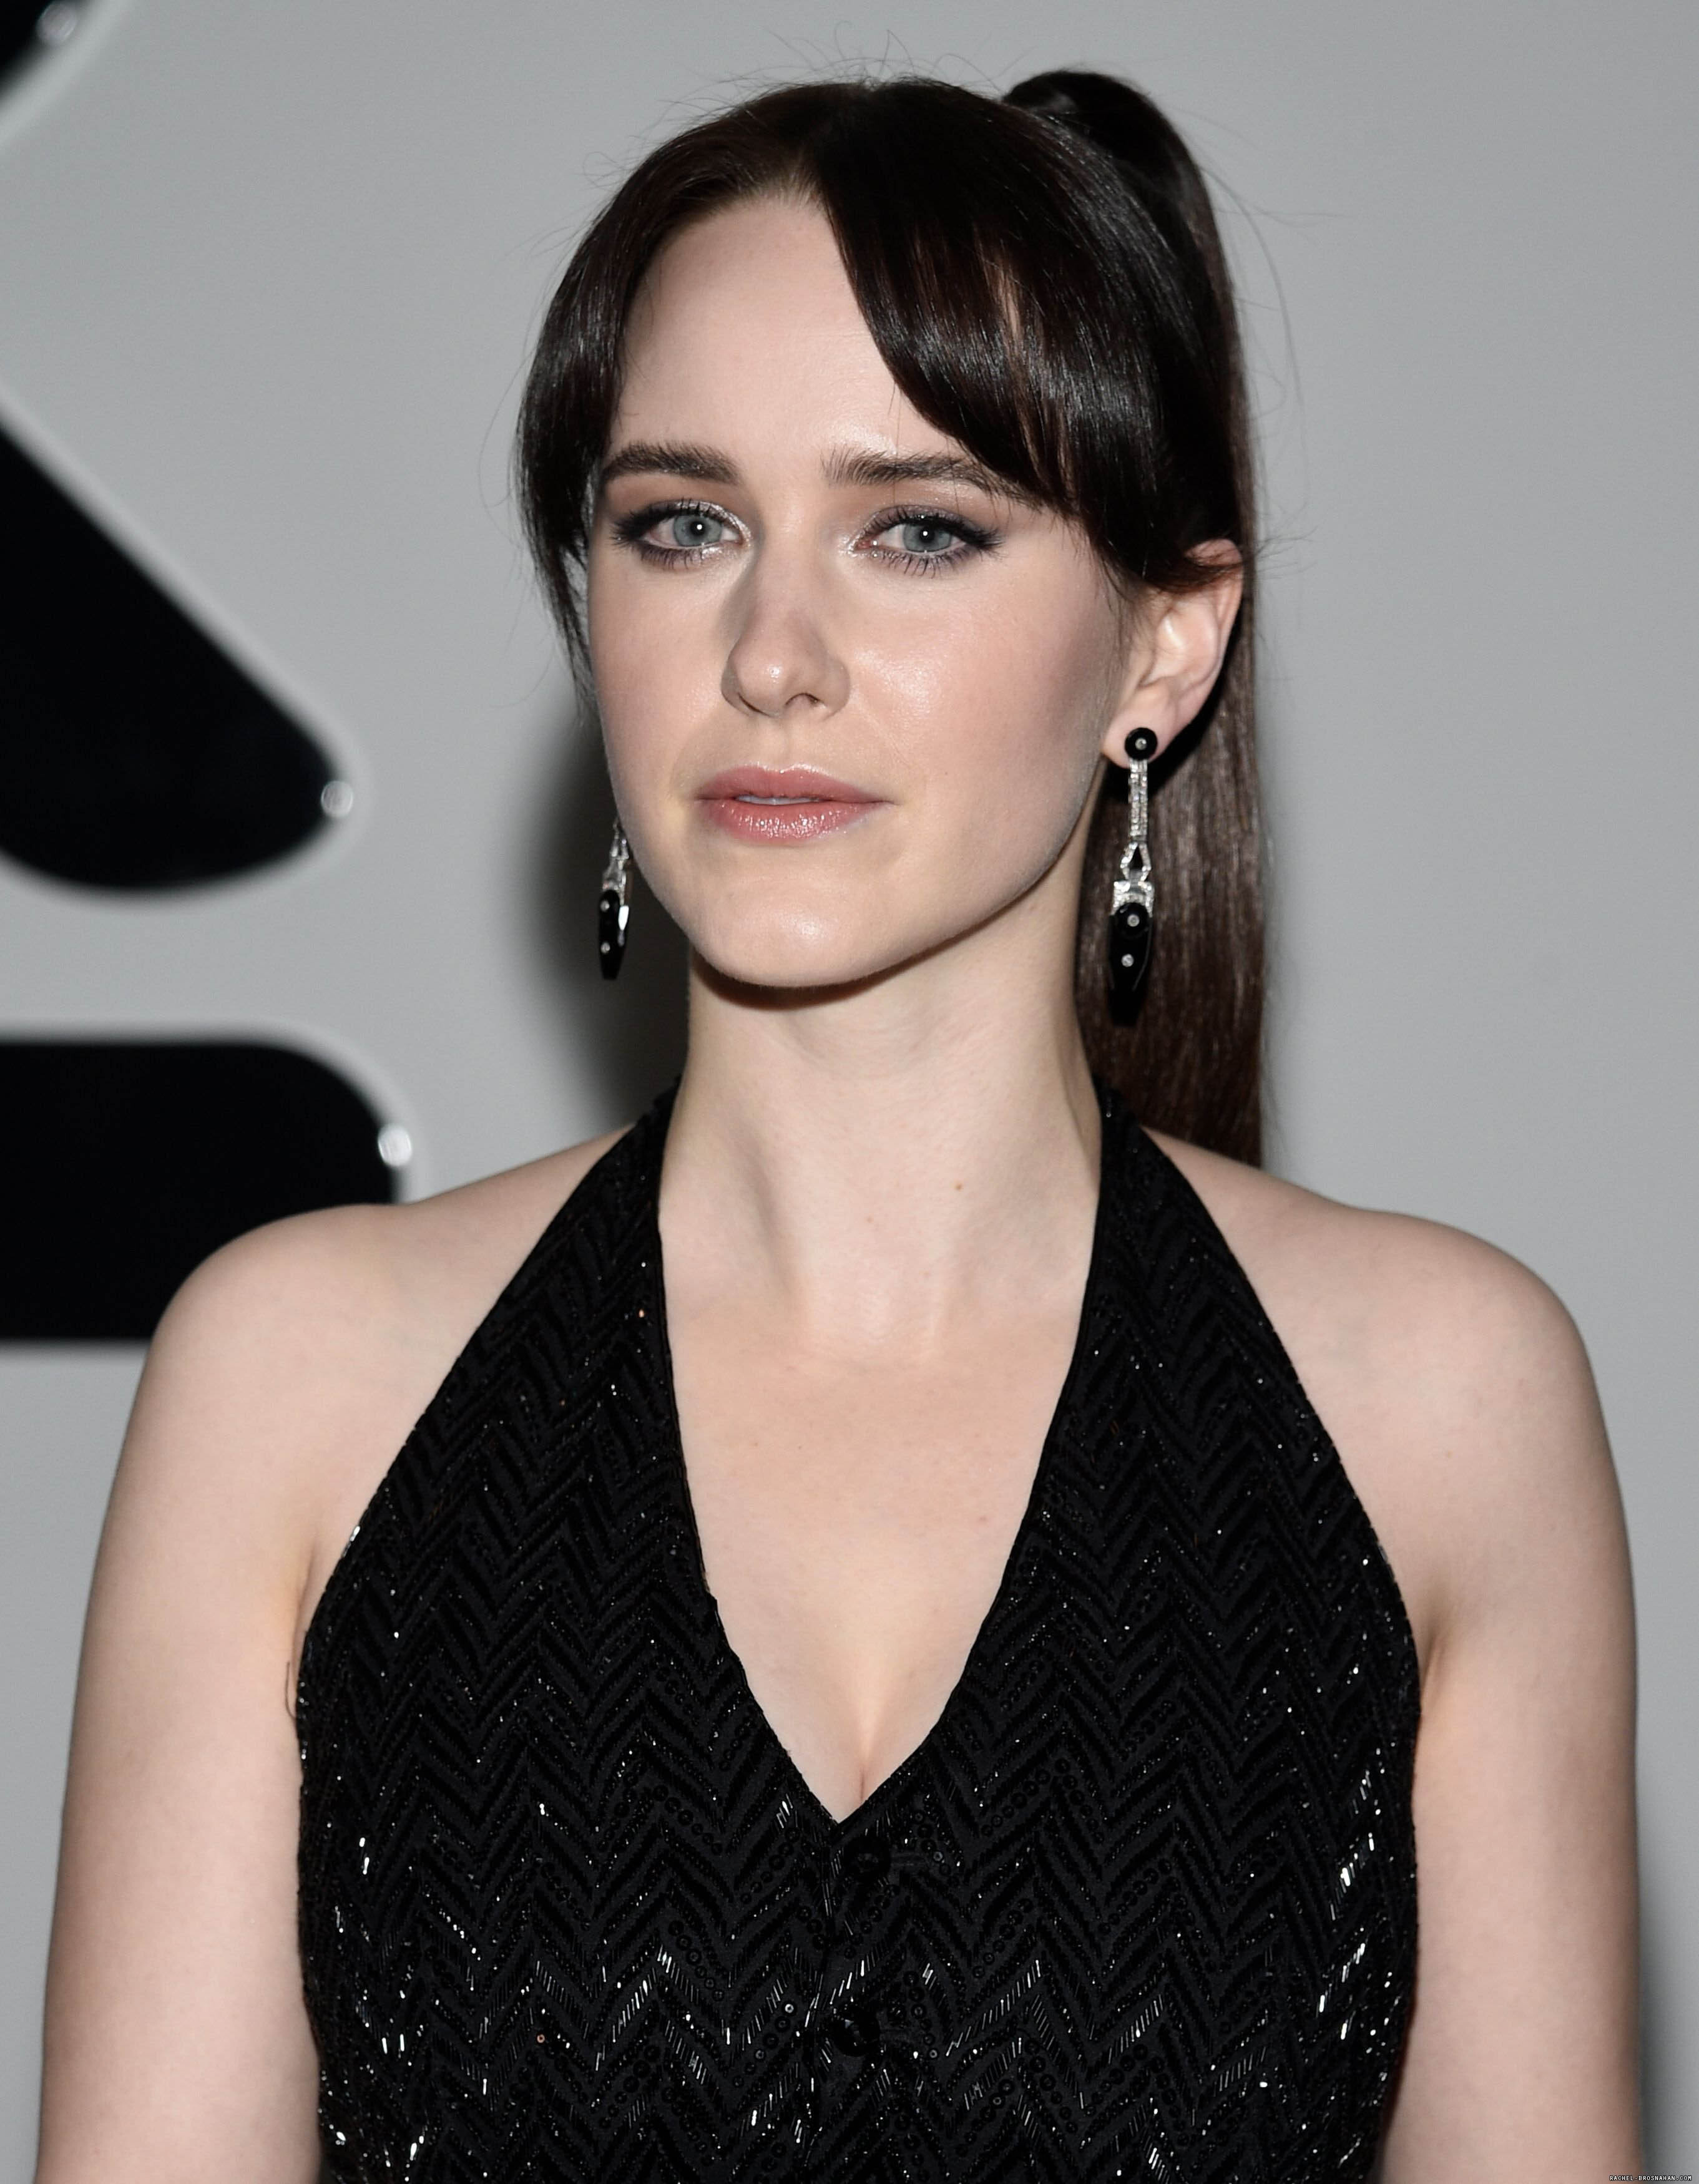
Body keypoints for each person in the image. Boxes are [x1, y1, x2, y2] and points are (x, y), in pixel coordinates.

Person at [34, 69, 1639, 2184]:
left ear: (1164, 641)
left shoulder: (1435, 1403)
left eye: (918, 530)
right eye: (681, 525)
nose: (771, 654)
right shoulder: (300, 1381)